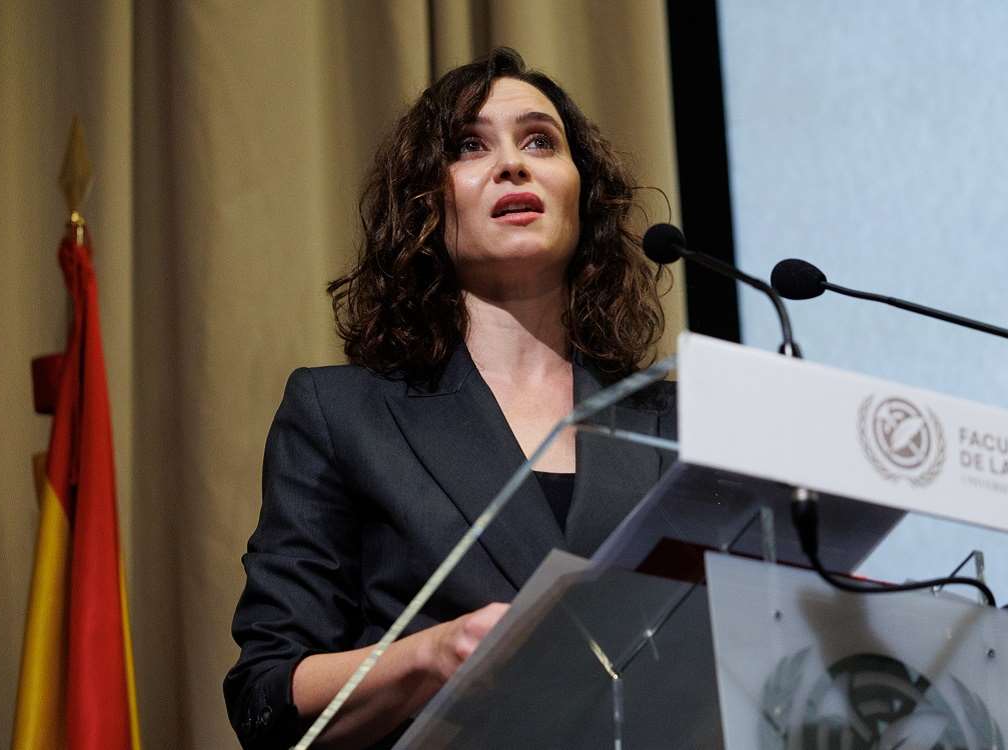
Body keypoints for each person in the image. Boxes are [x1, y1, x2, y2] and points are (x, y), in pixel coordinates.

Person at [223, 48, 676, 750]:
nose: (513, 165)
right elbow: (265, 695)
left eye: (539, 141)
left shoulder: (672, 421)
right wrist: (429, 657)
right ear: (426, 205)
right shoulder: (341, 414)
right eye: (470, 146)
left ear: (584, 192)